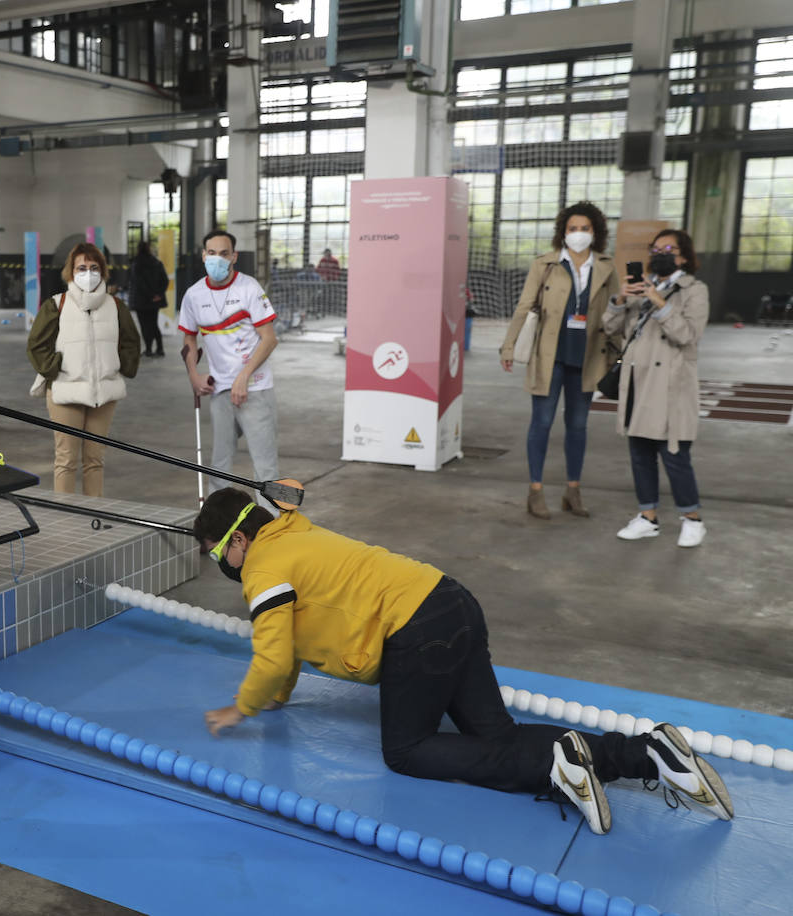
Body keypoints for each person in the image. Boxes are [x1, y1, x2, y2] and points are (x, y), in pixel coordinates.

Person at [195, 487, 733, 836]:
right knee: (496, 736)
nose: (222, 563)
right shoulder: (296, 532)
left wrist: (241, 708)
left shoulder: (262, 568)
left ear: (239, 539)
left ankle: (553, 766)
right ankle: (649, 754)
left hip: (416, 632)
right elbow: (288, 640)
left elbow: (272, 654)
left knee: (406, 751)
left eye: (218, 552)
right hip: (452, 599)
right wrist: (279, 696)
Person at [499, 202, 619, 520]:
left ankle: (572, 491)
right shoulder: (546, 264)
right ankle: (535, 491)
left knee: (578, 426)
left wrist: (617, 354)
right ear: (563, 233)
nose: (578, 234)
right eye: (572, 228)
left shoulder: (607, 267)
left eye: (585, 228)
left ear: (596, 232)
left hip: (588, 356)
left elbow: (616, 314)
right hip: (549, 355)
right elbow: (524, 306)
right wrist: (508, 346)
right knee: (541, 422)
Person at [605, 229, 710, 547]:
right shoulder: (641, 287)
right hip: (637, 380)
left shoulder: (694, 290)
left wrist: (658, 300)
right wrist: (621, 299)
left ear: (683, 256)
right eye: (656, 249)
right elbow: (610, 328)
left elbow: (687, 335)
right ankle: (647, 517)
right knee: (640, 453)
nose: (661, 254)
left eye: (669, 249)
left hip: (670, 385)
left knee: (674, 454)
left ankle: (692, 519)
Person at [26, 242, 141, 496]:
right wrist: (54, 368)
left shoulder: (116, 306)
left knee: (95, 460)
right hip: (66, 392)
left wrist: (118, 365)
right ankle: (65, 514)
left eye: (94, 267)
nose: (88, 273)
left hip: (104, 394)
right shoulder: (56, 304)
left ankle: (94, 513)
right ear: (71, 271)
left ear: (103, 271)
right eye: (81, 268)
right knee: (66, 460)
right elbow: (36, 344)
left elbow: (131, 342)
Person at [179, 229, 279, 506]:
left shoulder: (249, 288)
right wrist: (194, 376)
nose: (217, 259)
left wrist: (243, 377)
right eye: (212, 253)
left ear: (234, 257)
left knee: (265, 467)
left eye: (224, 254)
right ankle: (217, 524)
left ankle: (273, 525)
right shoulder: (194, 295)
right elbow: (189, 338)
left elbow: (269, 339)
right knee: (219, 465)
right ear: (203, 255)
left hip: (255, 388)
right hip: (220, 390)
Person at [129, 240, 169, 358]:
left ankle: (148, 349)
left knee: (144, 325)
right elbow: (165, 280)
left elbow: (139, 283)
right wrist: (158, 294)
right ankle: (160, 348)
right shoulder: (157, 263)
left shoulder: (136, 264)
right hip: (155, 301)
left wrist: (150, 295)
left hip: (141, 301)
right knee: (153, 324)